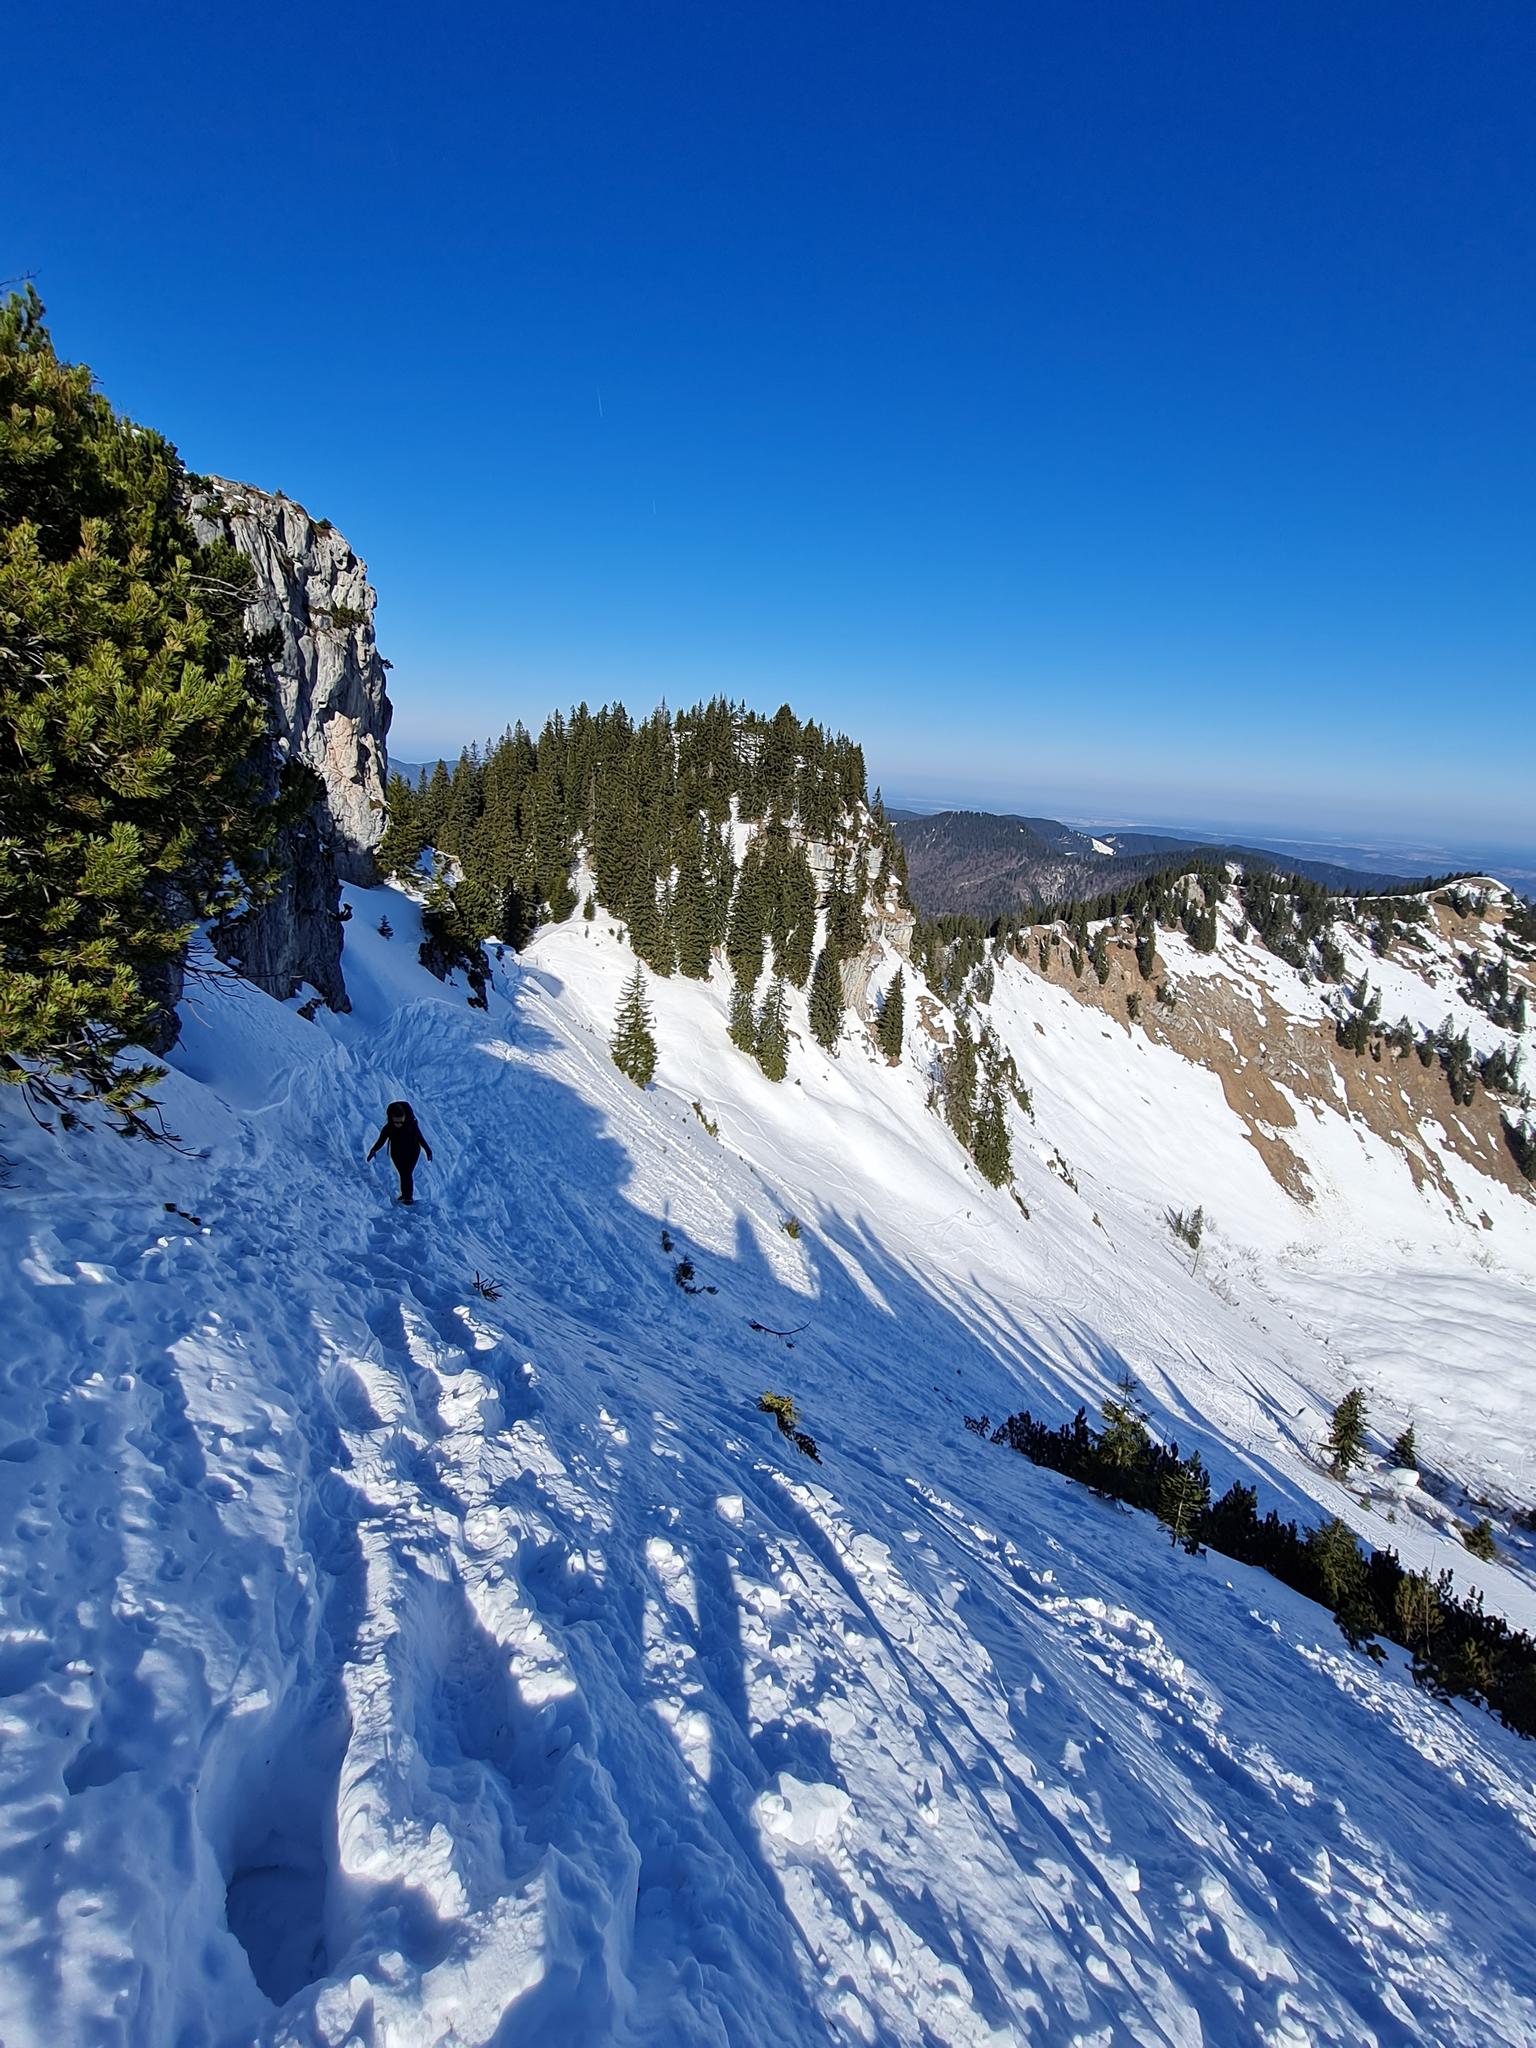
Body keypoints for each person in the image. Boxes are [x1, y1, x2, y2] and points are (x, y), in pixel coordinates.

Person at [368, 1100, 433, 1204]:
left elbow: (421, 1138)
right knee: (403, 1173)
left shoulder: (412, 1125)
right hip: (397, 1153)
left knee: (407, 1172)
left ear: (405, 1118)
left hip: (412, 1152)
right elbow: (381, 1140)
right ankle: (405, 1194)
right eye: (396, 1122)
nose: (398, 1124)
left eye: (401, 1122)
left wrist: (428, 1150)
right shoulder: (388, 1128)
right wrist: (374, 1149)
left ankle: (408, 1197)